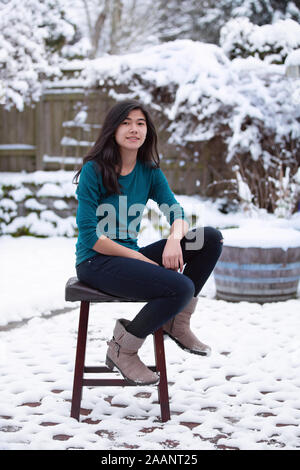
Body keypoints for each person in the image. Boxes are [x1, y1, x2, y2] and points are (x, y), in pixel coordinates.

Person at [73, 100, 223, 386]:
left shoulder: (149, 171)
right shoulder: (94, 170)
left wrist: (175, 240)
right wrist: (141, 259)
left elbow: (176, 212)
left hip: (129, 256)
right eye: (126, 122)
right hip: (95, 262)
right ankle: (123, 349)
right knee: (180, 285)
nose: (134, 129)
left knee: (210, 238)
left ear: (148, 132)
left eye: (140, 123)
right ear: (113, 130)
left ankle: (176, 322)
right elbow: (90, 236)